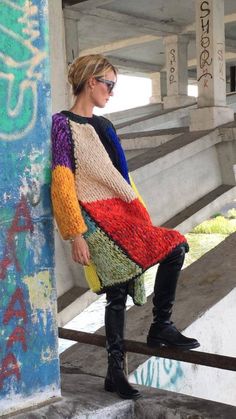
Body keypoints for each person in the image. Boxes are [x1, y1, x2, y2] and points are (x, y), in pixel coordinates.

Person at [51, 54, 200, 400]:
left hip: (121, 216)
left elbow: (122, 178)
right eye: (109, 84)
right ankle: (116, 371)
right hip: (92, 219)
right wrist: (75, 233)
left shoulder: (105, 126)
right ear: (91, 82)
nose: (112, 93)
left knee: (175, 245)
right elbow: (61, 181)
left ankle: (160, 324)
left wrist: (140, 218)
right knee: (116, 290)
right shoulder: (62, 125)